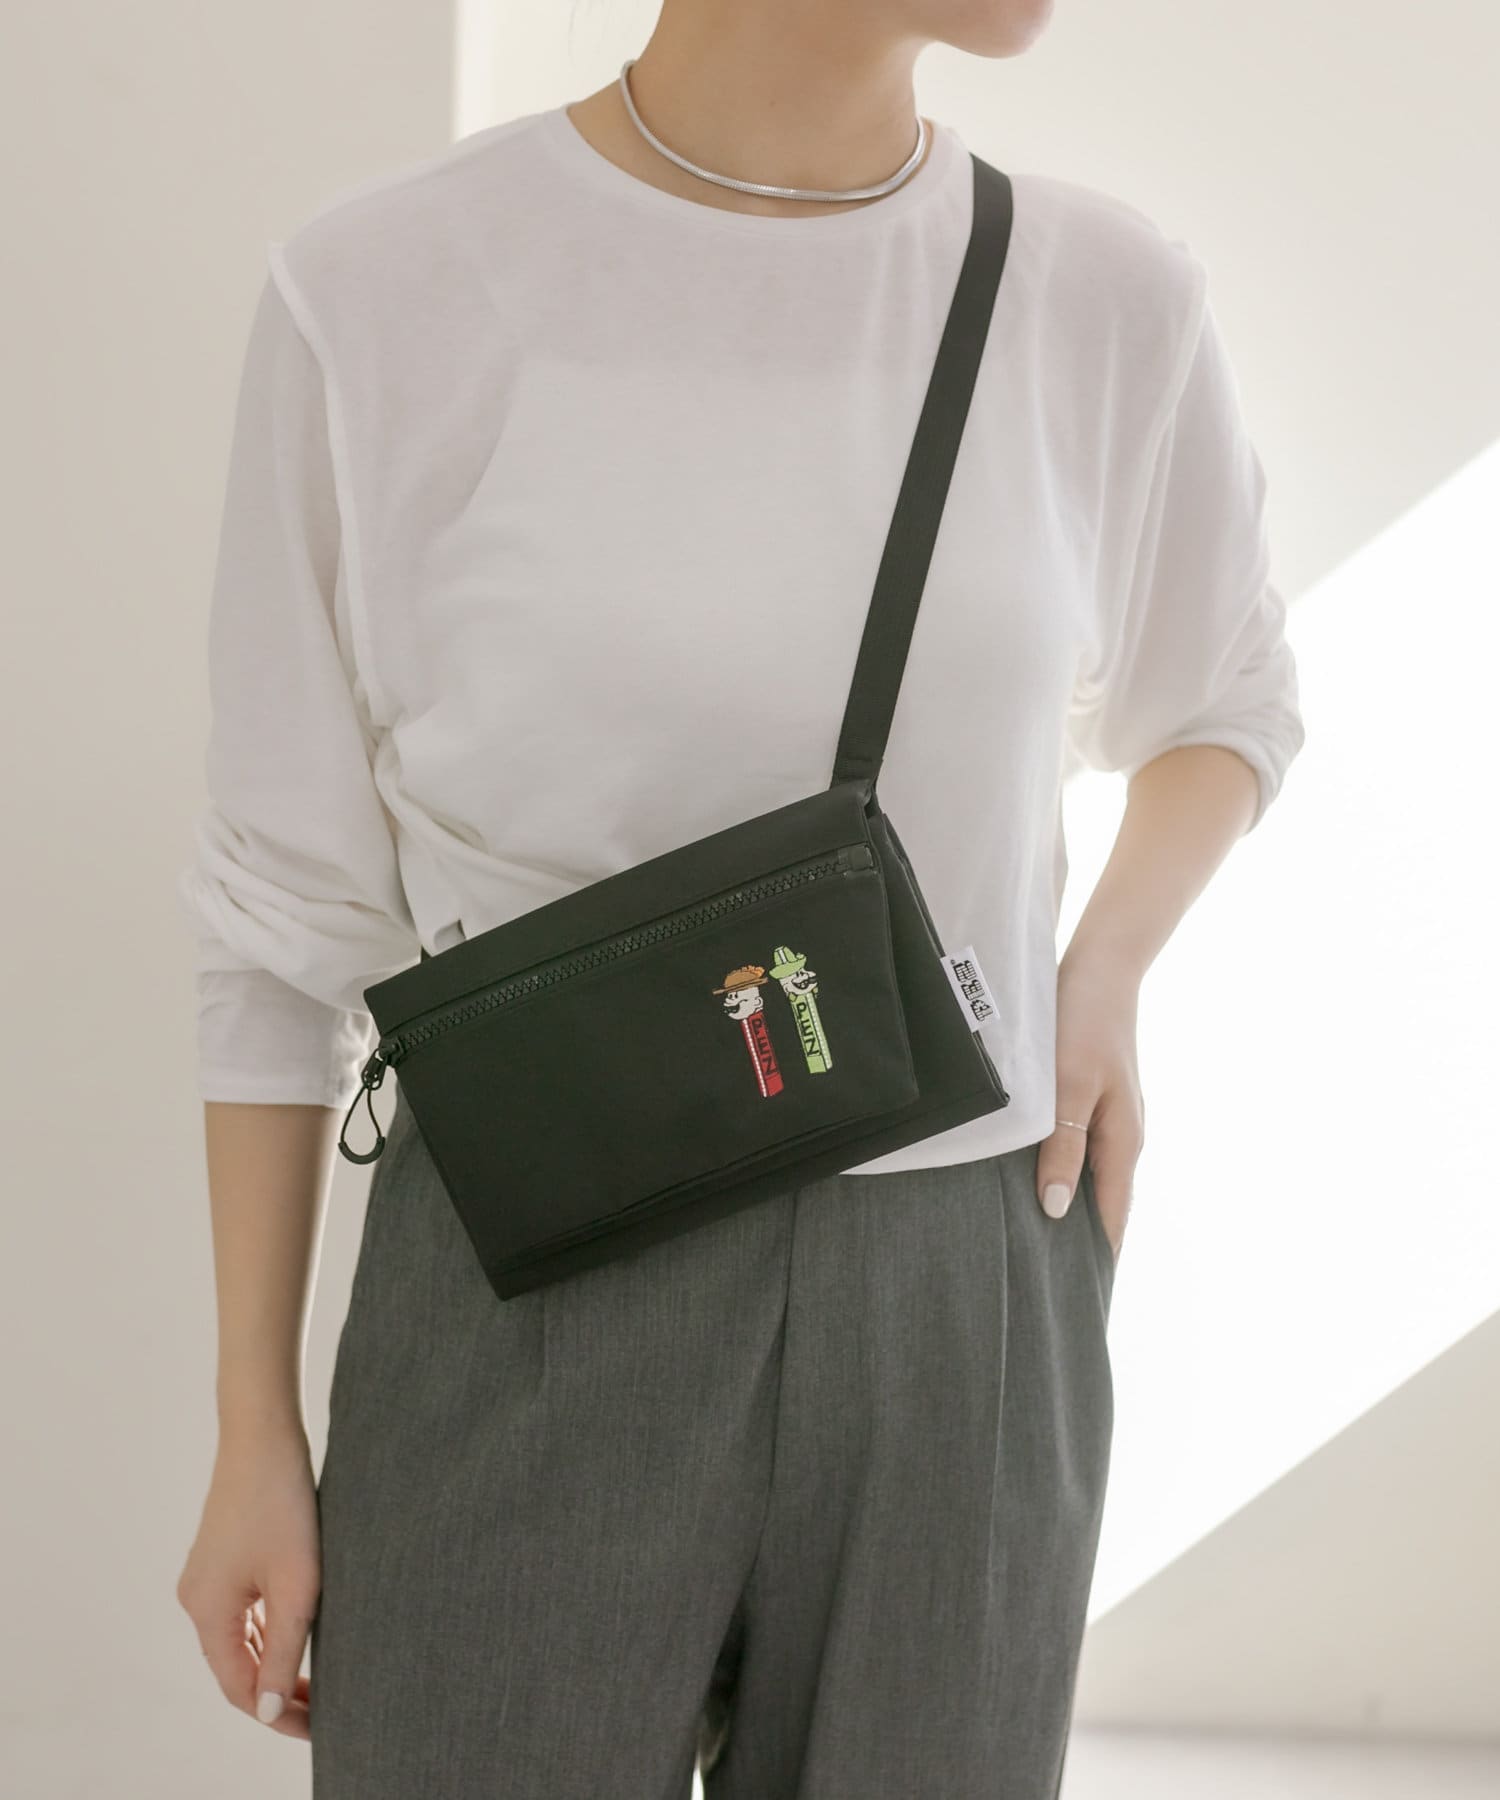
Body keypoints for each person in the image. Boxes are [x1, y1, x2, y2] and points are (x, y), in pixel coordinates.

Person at [173, 4, 1305, 1795]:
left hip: (965, 1284)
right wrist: (255, 1425)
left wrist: (1101, 973)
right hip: (536, 1271)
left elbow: (1229, 694)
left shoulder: (1103, 295)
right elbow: (276, 922)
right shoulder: (386, 291)